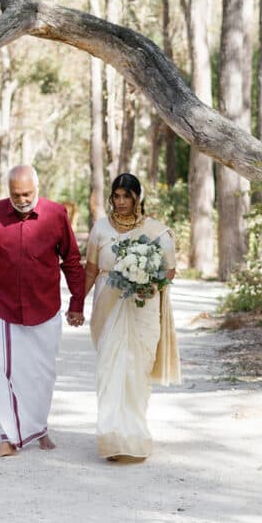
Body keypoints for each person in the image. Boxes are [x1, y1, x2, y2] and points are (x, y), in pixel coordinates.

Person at [0, 164, 85, 459]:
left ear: (37, 189)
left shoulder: (56, 214)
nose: (22, 200)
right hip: (6, 307)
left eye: (27, 194)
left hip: (45, 306)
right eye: (16, 195)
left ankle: (38, 428)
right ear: (8, 192)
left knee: (43, 374)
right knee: (4, 371)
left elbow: (71, 261)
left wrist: (77, 303)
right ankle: (9, 438)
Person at [84, 172, 180, 461]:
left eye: (127, 196)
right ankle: (111, 438)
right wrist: (76, 303)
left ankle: (135, 436)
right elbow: (91, 270)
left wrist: (149, 284)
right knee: (109, 369)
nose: (121, 201)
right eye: (116, 196)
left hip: (142, 309)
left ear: (138, 198)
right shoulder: (101, 229)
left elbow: (169, 271)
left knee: (136, 372)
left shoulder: (156, 232)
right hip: (107, 305)